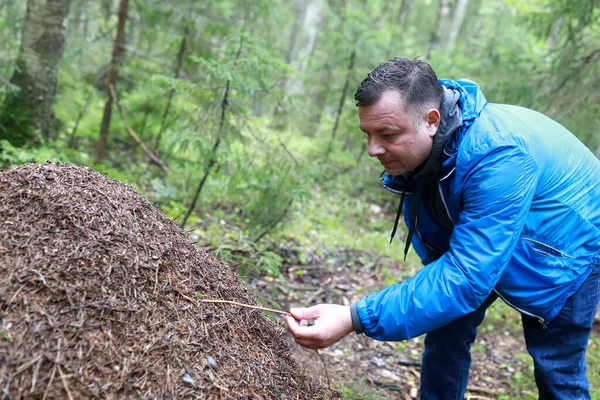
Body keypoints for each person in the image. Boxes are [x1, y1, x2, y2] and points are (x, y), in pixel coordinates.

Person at [286, 56, 600, 399]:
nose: (373, 150)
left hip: (571, 240)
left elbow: (465, 278)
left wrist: (354, 317)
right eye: (368, 134)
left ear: (431, 120)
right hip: (495, 228)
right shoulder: (431, 138)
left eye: (386, 135)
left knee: (556, 365)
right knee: (445, 329)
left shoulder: (498, 158)